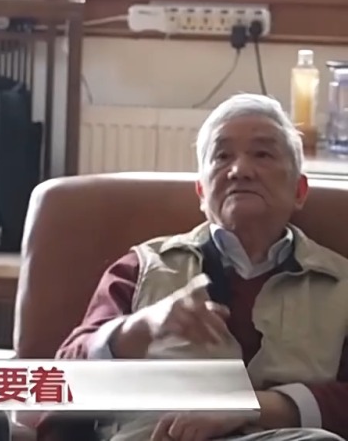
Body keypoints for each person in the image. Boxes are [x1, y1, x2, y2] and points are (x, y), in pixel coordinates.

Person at [41, 94, 348, 441]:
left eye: (262, 154)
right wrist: (137, 330)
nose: (240, 170)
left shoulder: (341, 285)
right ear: (202, 192)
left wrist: (251, 406)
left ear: (299, 190)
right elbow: (59, 387)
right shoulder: (141, 268)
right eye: (222, 156)